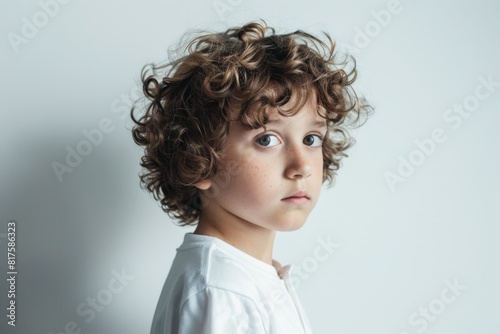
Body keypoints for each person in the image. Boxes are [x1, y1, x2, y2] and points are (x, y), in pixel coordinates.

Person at [131, 20, 371, 334]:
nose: (302, 165)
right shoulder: (223, 292)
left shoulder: (243, 277)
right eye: (267, 139)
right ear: (199, 160)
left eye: (311, 139)